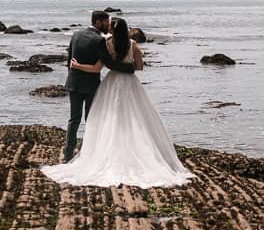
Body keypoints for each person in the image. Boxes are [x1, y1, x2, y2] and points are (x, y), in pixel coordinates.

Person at [41, 17, 192, 188]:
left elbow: (101, 67)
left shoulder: (107, 44)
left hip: (111, 83)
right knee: (136, 119)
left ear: (112, 30)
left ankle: (95, 153)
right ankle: (138, 153)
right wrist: (131, 63)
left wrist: (76, 66)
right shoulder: (133, 44)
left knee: (108, 119)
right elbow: (140, 67)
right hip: (130, 83)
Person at [59, 10, 134, 162]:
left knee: (73, 120)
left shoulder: (76, 35)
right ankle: (89, 152)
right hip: (90, 85)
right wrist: (129, 68)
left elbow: (69, 60)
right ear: (98, 21)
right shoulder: (99, 40)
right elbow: (109, 63)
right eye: (106, 22)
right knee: (91, 119)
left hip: (73, 83)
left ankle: (68, 154)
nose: (108, 25)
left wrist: (73, 75)